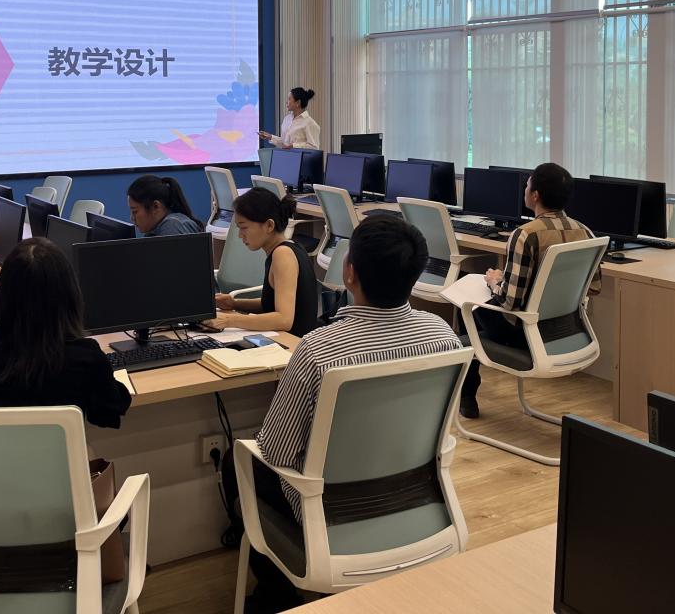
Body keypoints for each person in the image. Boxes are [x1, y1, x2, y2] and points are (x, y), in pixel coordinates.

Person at [247, 216, 461, 612]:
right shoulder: (442, 336)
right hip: (419, 497)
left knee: (241, 462)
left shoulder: (318, 348)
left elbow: (276, 452)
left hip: (331, 510)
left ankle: (277, 594)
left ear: (349, 272)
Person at [458, 162, 595, 419]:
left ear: (535, 196)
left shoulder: (525, 235)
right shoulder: (585, 232)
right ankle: (470, 382)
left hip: (526, 333)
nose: (525, 188)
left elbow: (510, 302)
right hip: (568, 330)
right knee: (479, 312)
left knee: (466, 303)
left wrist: (495, 281)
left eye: (527, 184)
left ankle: (467, 395)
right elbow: (593, 287)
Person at [0, 238, 133, 423]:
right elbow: (106, 414)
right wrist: (108, 379)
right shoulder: (87, 358)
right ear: (69, 295)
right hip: (61, 444)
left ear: (1, 295)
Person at [213, 188, 319, 337]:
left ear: (269, 225)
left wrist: (228, 320)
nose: (240, 235)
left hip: (293, 343)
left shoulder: (283, 254)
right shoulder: (287, 248)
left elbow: (284, 319)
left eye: (244, 227)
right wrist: (234, 303)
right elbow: (269, 304)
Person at [126, 174, 203, 237]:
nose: (132, 218)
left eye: (135, 211)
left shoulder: (172, 226)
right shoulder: (156, 231)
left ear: (156, 206)